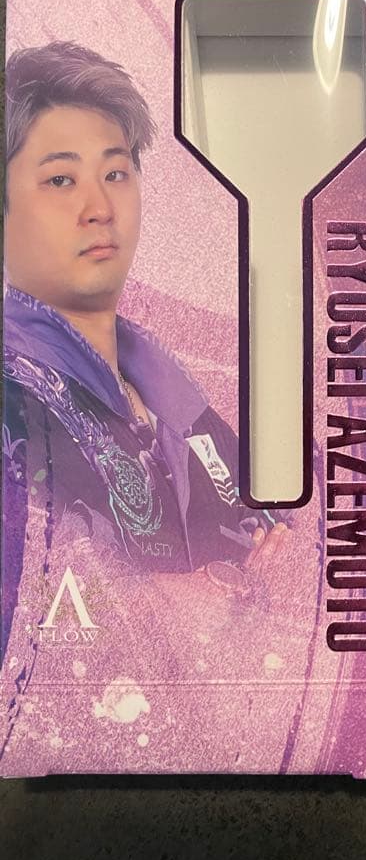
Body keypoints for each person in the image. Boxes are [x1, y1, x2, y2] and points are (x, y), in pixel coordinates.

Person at [1, 41, 283, 674]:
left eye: (116, 173)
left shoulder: (164, 383)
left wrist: (276, 539)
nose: (100, 209)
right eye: (61, 179)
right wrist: (156, 604)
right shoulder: (12, 400)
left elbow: (269, 505)